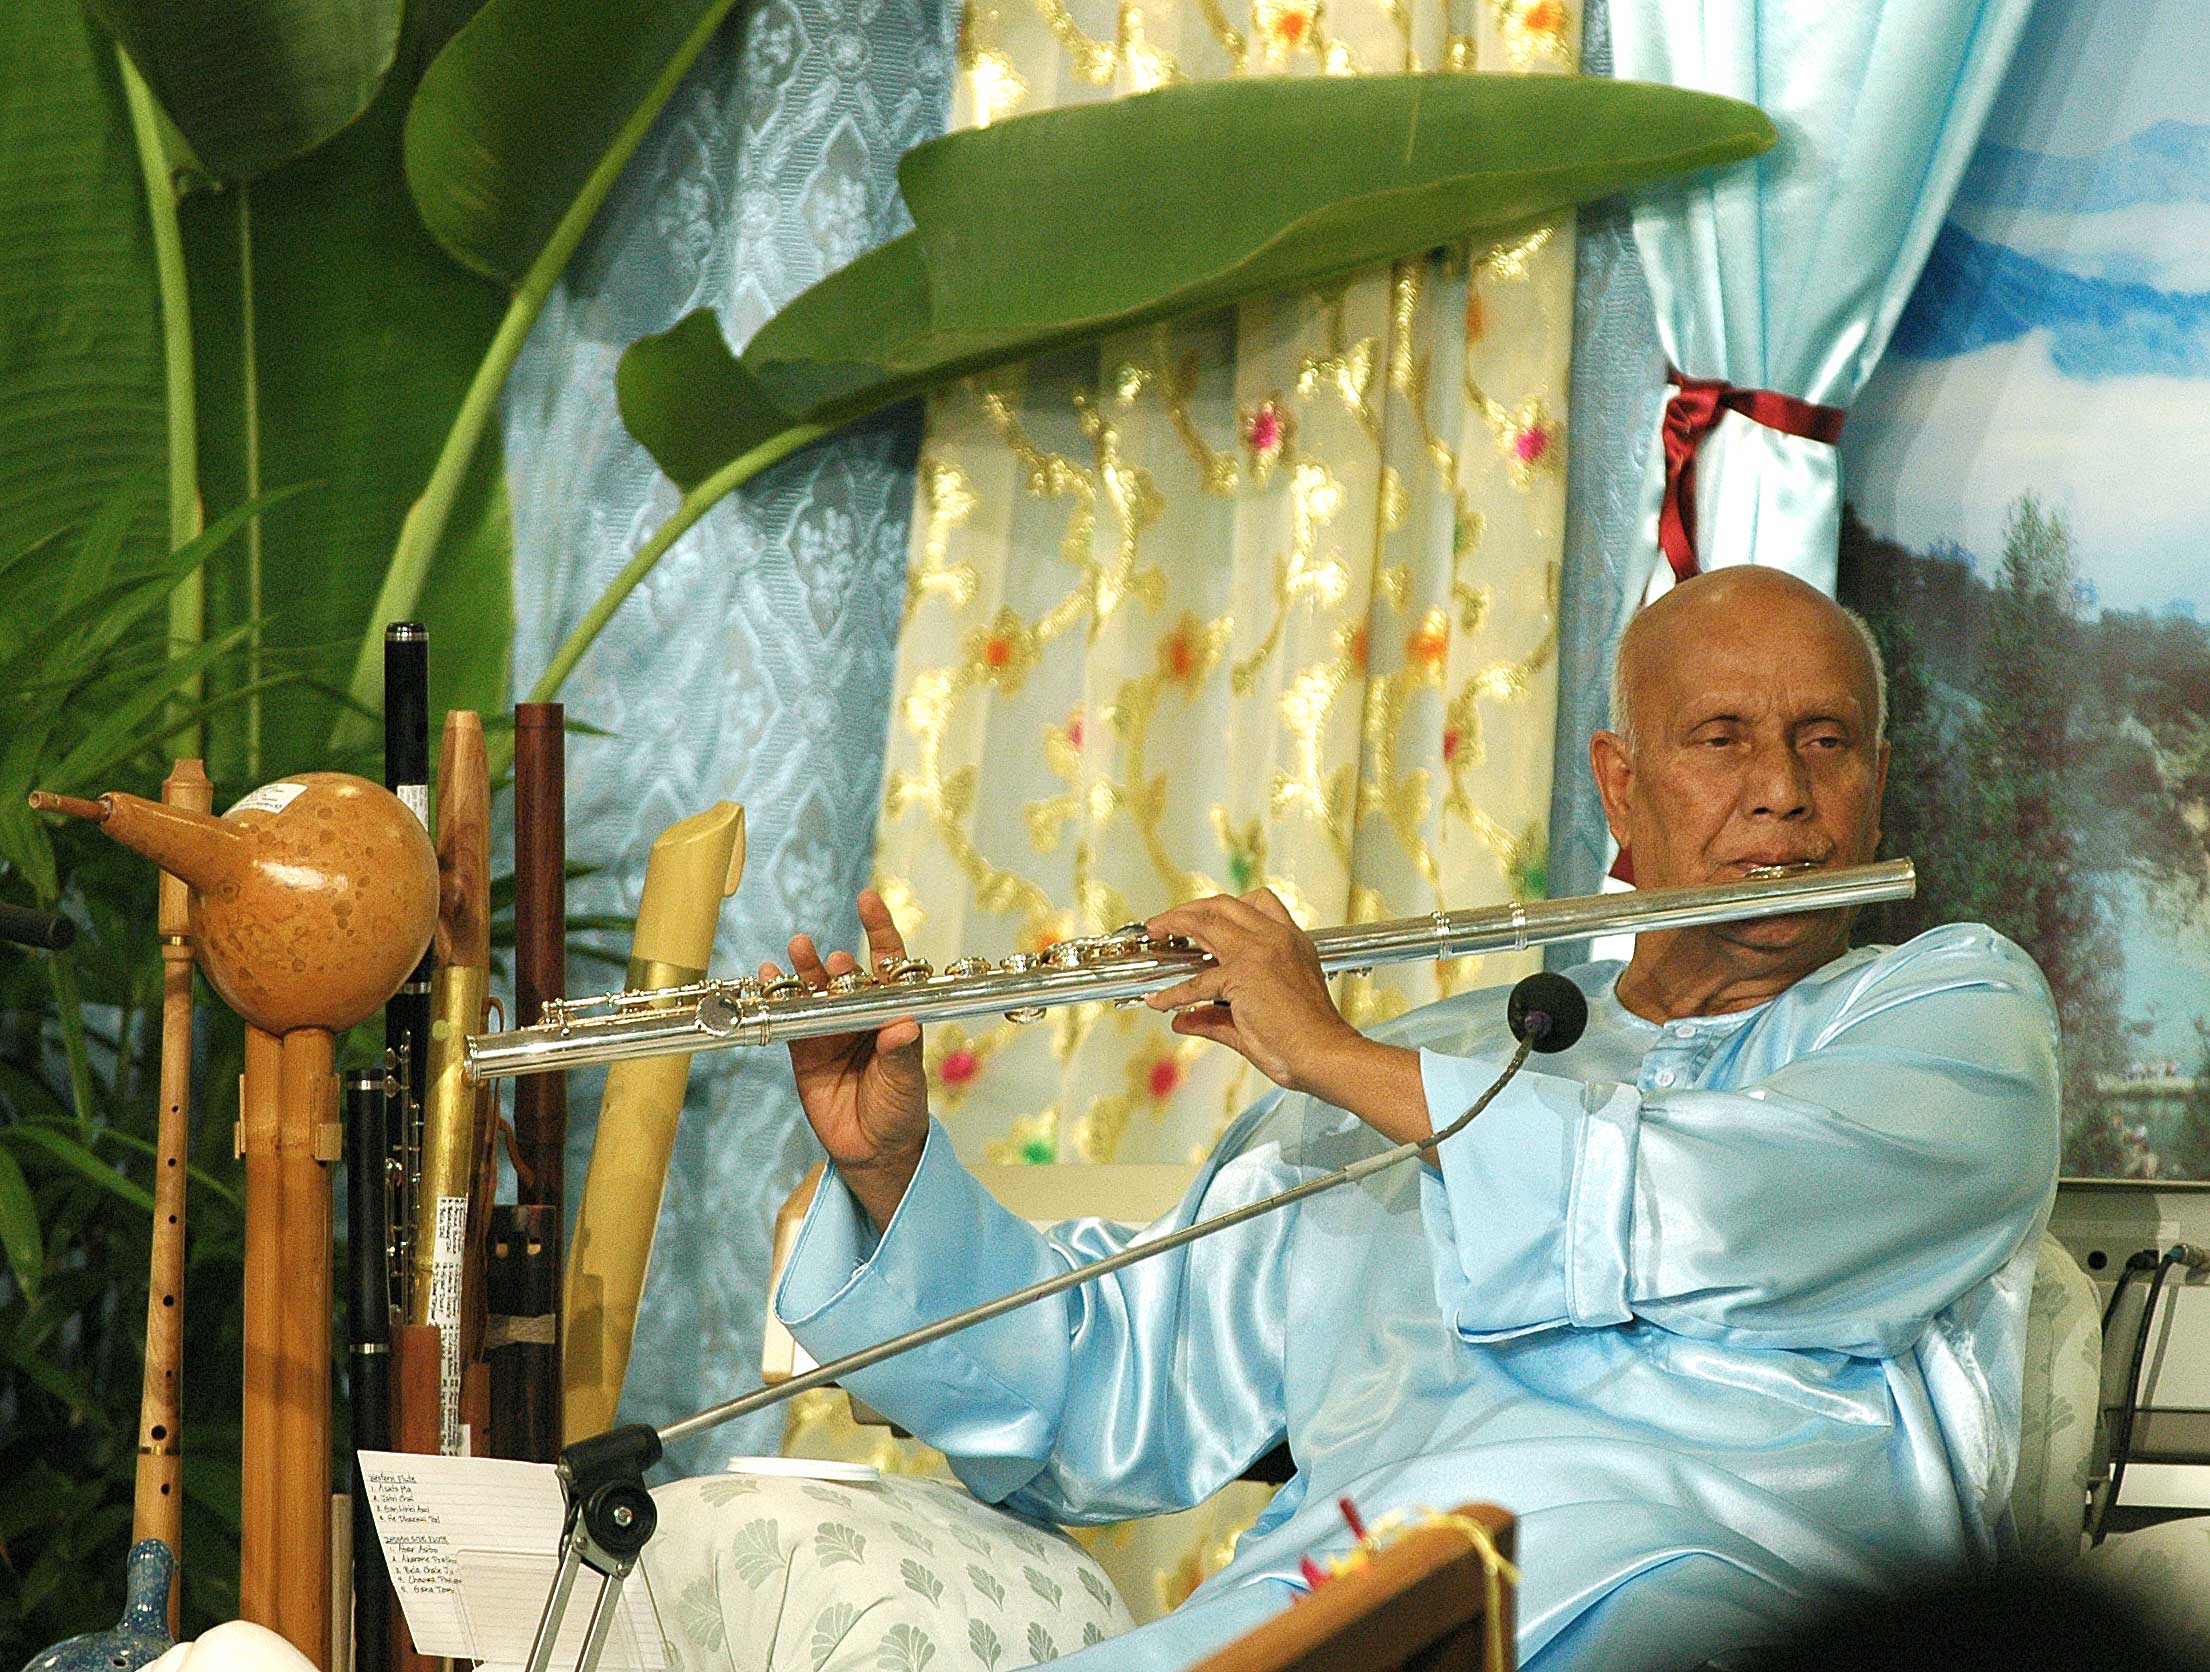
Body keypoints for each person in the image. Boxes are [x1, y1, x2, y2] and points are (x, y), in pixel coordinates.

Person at [770, 566, 2061, 1671]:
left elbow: (1730, 1212)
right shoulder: (1442, 1059)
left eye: (1826, 740)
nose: (1780, 788)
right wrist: (891, 1170)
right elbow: (1111, 1377)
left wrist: (1335, 1055)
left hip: (1699, 1613)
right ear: (1619, 788)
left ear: (1876, 783)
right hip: (1347, 1606)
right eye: (1720, 738)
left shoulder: (1951, 1011)